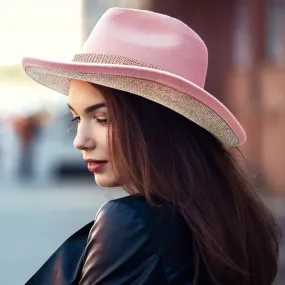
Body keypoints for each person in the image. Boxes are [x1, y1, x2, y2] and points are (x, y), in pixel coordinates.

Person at [22, 7, 281, 285]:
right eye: (77, 118)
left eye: (102, 118)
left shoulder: (131, 224)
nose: (79, 141)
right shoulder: (232, 220)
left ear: (156, 125)